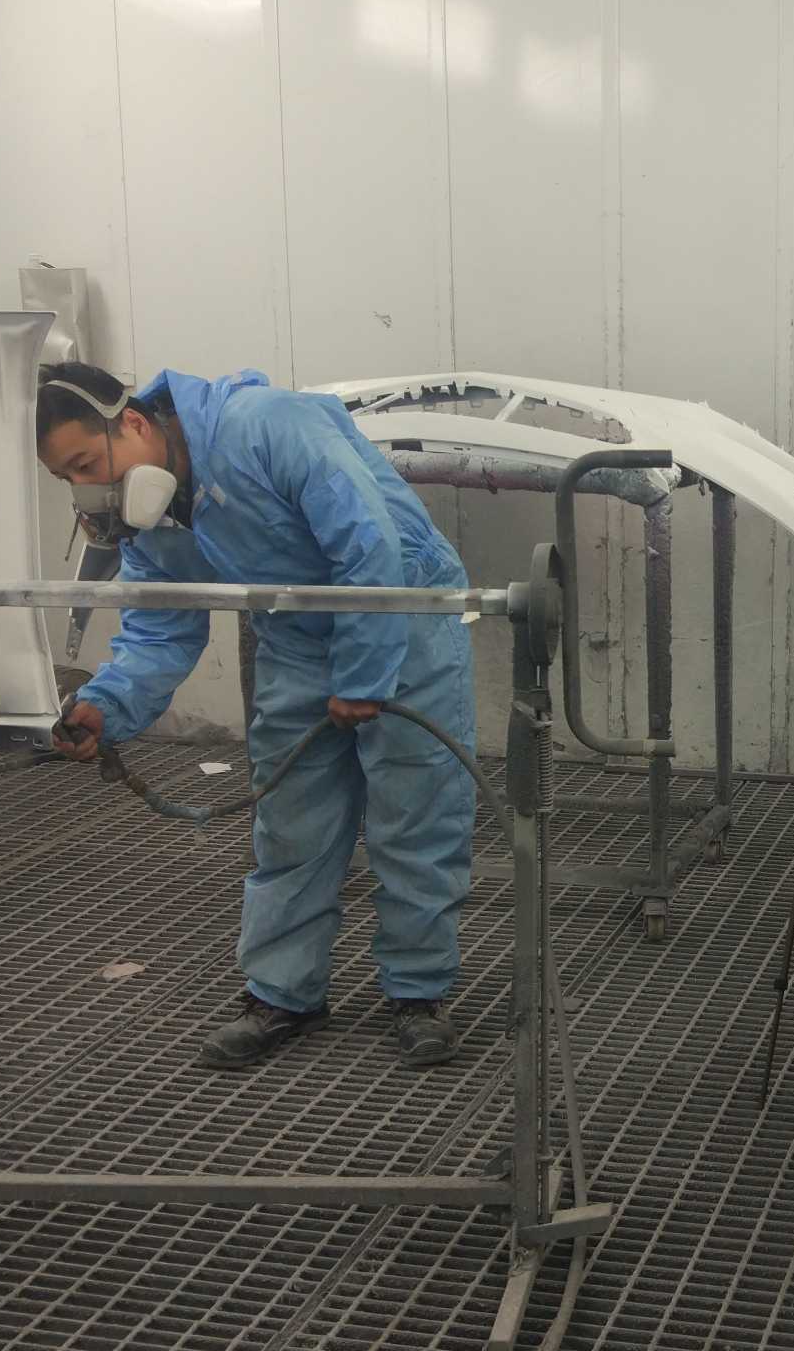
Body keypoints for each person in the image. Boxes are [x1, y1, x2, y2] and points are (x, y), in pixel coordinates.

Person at [36, 364, 477, 1075]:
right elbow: (161, 626)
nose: (87, 490)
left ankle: (418, 993)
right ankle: (282, 993)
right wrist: (106, 704)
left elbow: (368, 545)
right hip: (295, 639)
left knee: (414, 815)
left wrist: (363, 674)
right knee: (290, 824)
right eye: (67, 479)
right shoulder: (152, 515)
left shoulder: (267, 426)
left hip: (404, 616)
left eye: (87, 465)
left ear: (135, 424)